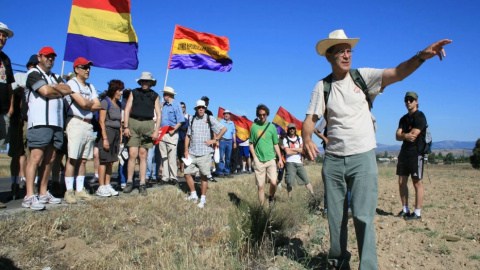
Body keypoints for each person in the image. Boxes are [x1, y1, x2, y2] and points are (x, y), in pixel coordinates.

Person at [302, 29, 451, 269]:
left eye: (349, 50)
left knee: (363, 217)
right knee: (335, 218)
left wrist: (421, 56)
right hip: (333, 162)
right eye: (340, 51)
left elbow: (398, 73)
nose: (346, 55)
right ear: (329, 56)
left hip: (363, 159)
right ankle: (339, 263)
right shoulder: (322, 86)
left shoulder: (363, 77)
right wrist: (306, 138)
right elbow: (310, 119)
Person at [22, 47, 72, 210]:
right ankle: (29, 195)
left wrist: (54, 89)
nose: (50, 59)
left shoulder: (56, 77)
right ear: (40, 57)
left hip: (56, 123)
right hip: (39, 122)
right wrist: (55, 89)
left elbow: (67, 90)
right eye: (47, 56)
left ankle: (43, 192)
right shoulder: (33, 74)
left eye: (52, 57)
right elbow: (45, 91)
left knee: (50, 159)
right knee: (36, 157)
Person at [64, 57, 102, 204]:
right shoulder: (72, 83)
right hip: (76, 121)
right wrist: (88, 103)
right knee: (73, 157)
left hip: (88, 124)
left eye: (89, 67)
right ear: (76, 69)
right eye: (84, 67)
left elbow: (97, 105)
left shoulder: (90, 86)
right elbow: (82, 102)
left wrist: (88, 104)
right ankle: (69, 191)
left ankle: (80, 189)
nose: (87, 70)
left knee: (84, 159)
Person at [123, 72, 161, 196]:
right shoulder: (134, 92)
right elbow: (127, 109)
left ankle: (142, 183)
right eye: (143, 81)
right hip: (133, 123)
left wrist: (156, 130)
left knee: (143, 155)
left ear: (151, 83)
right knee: (132, 154)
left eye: (147, 81)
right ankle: (129, 182)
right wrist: (126, 126)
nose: (145, 83)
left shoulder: (154, 95)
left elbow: (158, 114)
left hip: (148, 124)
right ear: (140, 82)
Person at [184, 100, 226, 208]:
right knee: (186, 173)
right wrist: (186, 150)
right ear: (196, 109)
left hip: (204, 153)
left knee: (203, 176)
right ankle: (193, 194)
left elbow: (223, 129)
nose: (201, 109)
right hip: (192, 152)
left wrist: (214, 140)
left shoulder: (209, 118)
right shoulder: (192, 119)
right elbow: (188, 136)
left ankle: (202, 198)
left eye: (202, 107)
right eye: (199, 108)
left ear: (205, 108)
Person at [9, 55, 37, 200]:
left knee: (34, 153)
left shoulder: (40, 79)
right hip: (18, 119)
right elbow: (11, 90)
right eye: (33, 65)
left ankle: (31, 182)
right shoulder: (20, 76)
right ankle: (15, 182)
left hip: (32, 119)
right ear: (28, 66)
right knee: (17, 152)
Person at [396, 91, 427, 221]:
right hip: (404, 153)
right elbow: (398, 136)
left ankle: (417, 213)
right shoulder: (403, 119)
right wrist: (405, 136)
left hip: (416, 154)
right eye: (406, 100)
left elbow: (414, 135)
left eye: (411, 100)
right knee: (401, 181)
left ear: (416, 102)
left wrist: (405, 134)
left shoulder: (420, 117)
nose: (408, 102)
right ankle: (405, 210)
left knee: (417, 183)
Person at [249, 104, 284, 207]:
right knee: (260, 187)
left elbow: (276, 144)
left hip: (271, 159)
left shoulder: (272, 127)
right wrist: (255, 158)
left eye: (264, 114)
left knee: (274, 182)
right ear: (257, 115)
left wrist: (280, 159)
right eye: (260, 115)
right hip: (259, 160)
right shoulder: (254, 127)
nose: (262, 117)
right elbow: (251, 143)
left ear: (267, 114)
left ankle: (271, 197)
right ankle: (261, 208)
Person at [95, 80, 124, 197]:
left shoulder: (119, 104)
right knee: (104, 160)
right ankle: (101, 186)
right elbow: (101, 121)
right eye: (119, 90)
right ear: (114, 90)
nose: (121, 93)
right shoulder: (105, 102)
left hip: (116, 133)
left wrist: (120, 135)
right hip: (107, 132)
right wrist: (105, 138)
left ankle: (107, 184)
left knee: (111, 160)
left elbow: (119, 121)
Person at [159, 86, 184, 185]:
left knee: (172, 156)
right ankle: (165, 177)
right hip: (162, 133)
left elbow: (180, 120)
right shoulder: (163, 106)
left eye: (164, 94)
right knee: (164, 156)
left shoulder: (176, 104)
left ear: (168, 95)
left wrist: (174, 129)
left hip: (171, 133)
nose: (163, 95)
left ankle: (174, 177)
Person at [283, 123, 314, 199]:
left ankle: (313, 196)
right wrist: (298, 151)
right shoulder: (285, 139)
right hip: (290, 162)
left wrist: (292, 149)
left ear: (295, 129)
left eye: (293, 128)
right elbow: (287, 152)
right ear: (288, 130)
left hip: (299, 163)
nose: (292, 130)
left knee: (306, 180)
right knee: (290, 182)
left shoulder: (299, 138)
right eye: (290, 129)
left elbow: (302, 150)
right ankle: (290, 198)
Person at [0, 22, 14, 150]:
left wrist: (10, 108)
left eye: (4, 36)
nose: (1, 38)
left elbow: (9, 85)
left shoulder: (5, 59)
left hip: (3, 112)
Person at [217, 109, 236, 178]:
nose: (226, 115)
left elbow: (233, 133)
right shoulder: (221, 121)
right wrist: (217, 140)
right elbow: (217, 130)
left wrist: (234, 142)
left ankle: (227, 171)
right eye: (225, 113)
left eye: (228, 114)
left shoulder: (232, 123)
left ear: (230, 115)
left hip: (230, 141)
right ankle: (220, 172)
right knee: (221, 157)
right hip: (222, 141)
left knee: (228, 157)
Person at [177, 101, 190, 178]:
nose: (182, 108)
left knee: (184, 154)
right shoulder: (177, 116)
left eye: (183, 107)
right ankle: (180, 168)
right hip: (178, 137)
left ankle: (183, 169)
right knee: (179, 155)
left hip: (185, 137)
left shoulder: (188, 117)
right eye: (181, 107)